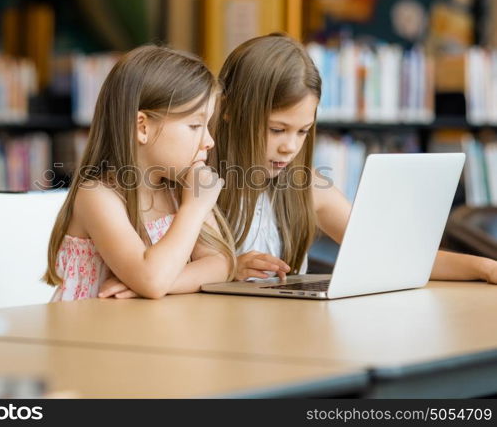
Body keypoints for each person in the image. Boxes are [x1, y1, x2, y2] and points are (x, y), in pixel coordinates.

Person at [213, 32, 497, 284]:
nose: (290, 147)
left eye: (303, 131)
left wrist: (485, 267)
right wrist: (228, 268)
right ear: (228, 110)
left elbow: (392, 255)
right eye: (277, 129)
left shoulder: (306, 187)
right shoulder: (196, 183)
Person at [43, 45, 235, 300]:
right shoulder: (97, 196)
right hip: (89, 331)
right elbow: (152, 280)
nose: (209, 141)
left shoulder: (180, 187)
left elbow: (221, 264)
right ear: (142, 127)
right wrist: (194, 208)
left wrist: (168, 281)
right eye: (195, 125)